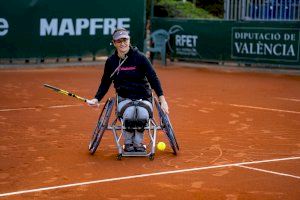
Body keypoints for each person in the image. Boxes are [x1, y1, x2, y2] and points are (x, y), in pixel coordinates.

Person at [86, 28, 169, 152]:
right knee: (129, 113)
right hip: (124, 98)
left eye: (125, 40)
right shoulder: (111, 62)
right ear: (114, 43)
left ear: (129, 40)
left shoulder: (140, 58)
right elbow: (105, 82)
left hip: (143, 97)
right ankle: (128, 143)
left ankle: (138, 143)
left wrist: (163, 100)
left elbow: (153, 78)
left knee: (142, 114)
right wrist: (96, 98)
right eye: (119, 41)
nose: (122, 43)